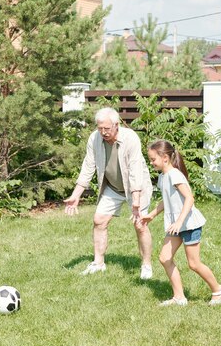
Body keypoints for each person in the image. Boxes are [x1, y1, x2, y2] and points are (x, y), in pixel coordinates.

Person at [64, 107, 154, 279]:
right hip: (112, 187)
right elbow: (88, 167)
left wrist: (135, 200)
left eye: (107, 129)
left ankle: (146, 265)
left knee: (140, 225)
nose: (103, 132)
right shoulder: (94, 138)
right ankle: (98, 263)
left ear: (116, 125)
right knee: (99, 220)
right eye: (100, 128)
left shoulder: (131, 138)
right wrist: (75, 195)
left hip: (136, 187)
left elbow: (135, 170)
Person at [140, 139, 221, 306]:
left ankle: (218, 290)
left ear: (165, 157)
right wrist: (151, 215)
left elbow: (189, 198)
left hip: (189, 224)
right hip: (176, 225)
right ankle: (179, 297)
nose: (151, 163)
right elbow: (166, 200)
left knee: (193, 264)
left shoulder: (175, 175)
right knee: (165, 258)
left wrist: (179, 221)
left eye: (153, 159)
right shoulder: (163, 177)